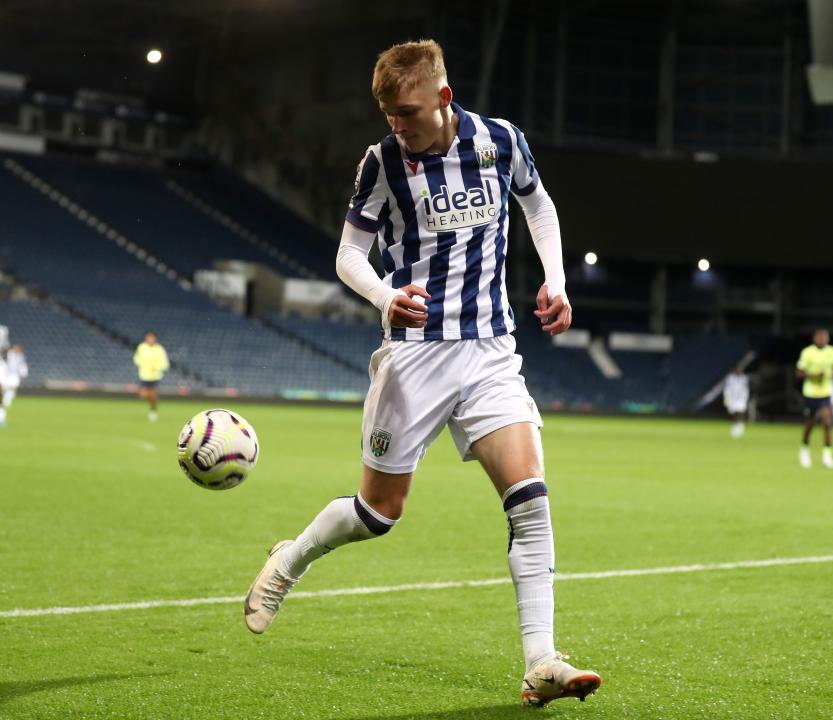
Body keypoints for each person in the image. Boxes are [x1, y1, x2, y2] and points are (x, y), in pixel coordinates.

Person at [242, 40, 600, 707]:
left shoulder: (501, 140)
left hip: (491, 351)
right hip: (413, 356)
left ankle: (541, 660)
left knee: (531, 503)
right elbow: (349, 253)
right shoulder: (381, 162)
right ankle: (287, 562)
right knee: (379, 513)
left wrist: (555, 279)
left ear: (442, 96)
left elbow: (538, 205)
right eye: (387, 113)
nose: (396, 125)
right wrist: (384, 297)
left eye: (406, 111)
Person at [796, 329, 833, 469]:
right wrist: (813, 376)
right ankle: (804, 449)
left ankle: (827, 455)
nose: (822, 339)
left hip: (825, 392)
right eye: (819, 337)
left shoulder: (832, 352)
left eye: (824, 337)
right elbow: (799, 372)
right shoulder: (808, 352)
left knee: (827, 421)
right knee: (811, 423)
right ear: (814, 338)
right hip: (810, 393)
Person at [133, 331, 169, 421]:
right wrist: (141, 364)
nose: (150, 339)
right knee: (143, 395)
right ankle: (152, 402)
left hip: (155, 376)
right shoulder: (141, 347)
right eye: (149, 337)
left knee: (153, 395)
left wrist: (157, 367)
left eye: (152, 337)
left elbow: (165, 362)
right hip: (144, 375)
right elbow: (137, 358)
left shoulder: (159, 349)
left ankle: (153, 411)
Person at [723, 367, 749, 438]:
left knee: (741, 412)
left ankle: (740, 426)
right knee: (734, 413)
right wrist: (727, 398)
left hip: (741, 398)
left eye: (740, 369)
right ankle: (734, 426)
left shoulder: (744, 378)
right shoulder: (730, 378)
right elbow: (727, 388)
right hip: (733, 398)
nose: (738, 371)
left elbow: (745, 389)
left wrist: (745, 397)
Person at [2, 343, 29, 408]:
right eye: (15, 348)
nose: (16, 349)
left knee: (13, 389)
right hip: (7, 374)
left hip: (15, 375)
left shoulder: (21, 356)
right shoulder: (9, 354)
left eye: (18, 348)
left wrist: (24, 372)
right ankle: (3, 400)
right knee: (4, 388)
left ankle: (6, 401)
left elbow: (22, 365)